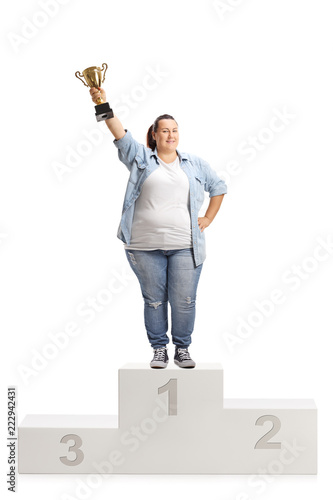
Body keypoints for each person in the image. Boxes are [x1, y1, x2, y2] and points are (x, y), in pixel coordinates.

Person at [89, 86, 227, 369]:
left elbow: (219, 188)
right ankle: (159, 349)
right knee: (154, 301)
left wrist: (209, 218)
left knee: (185, 301)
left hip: (186, 246)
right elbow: (119, 133)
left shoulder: (194, 164)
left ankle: (183, 348)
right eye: (164, 130)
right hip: (144, 246)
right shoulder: (140, 157)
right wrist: (102, 103)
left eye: (174, 130)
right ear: (154, 134)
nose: (171, 135)